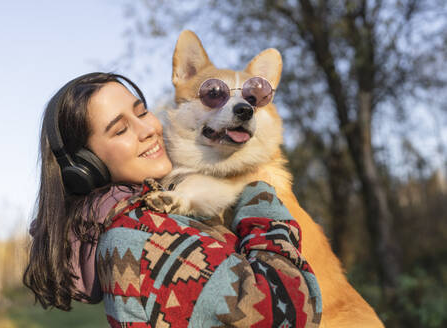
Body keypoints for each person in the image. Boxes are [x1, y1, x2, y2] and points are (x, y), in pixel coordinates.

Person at [24, 72, 322, 327]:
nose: (149, 130)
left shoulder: (147, 214)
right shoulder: (139, 236)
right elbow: (289, 312)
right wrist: (260, 196)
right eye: (120, 130)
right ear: (86, 166)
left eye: (142, 113)